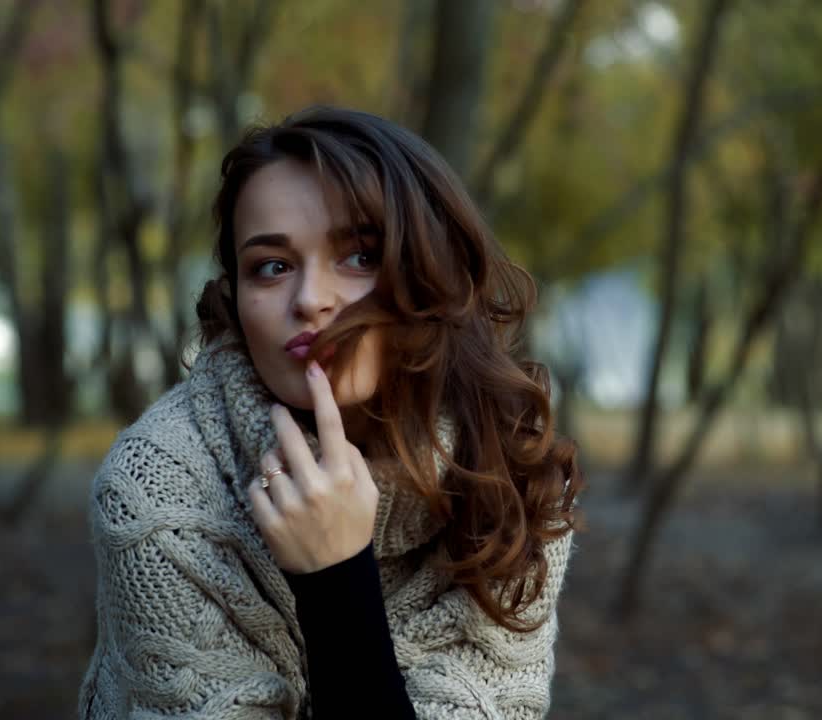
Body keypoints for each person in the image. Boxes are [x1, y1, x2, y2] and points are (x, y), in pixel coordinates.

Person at [77, 105, 583, 719]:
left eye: (360, 256)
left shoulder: (510, 467)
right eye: (272, 267)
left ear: (431, 274)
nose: (312, 300)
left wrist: (338, 574)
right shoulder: (159, 488)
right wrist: (336, 580)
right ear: (237, 301)